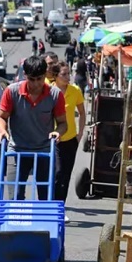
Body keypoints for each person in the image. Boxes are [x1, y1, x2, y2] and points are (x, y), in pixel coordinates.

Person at [0, 56, 68, 201]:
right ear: (25, 76)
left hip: (44, 151)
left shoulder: (55, 95)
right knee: (15, 196)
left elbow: (63, 123)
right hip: (17, 149)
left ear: (45, 75)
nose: (36, 83)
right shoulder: (12, 92)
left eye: (40, 79)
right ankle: (15, 222)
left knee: (45, 196)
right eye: (32, 79)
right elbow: (1, 117)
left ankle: (42, 222)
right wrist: (3, 131)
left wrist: (57, 132)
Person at [53, 62, 86, 210]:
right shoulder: (50, 91)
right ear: (56, 76)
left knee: (66, 175)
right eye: (64, 74)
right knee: (56, 174)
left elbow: (83, 113)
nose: (68, 77)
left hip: (70, 138)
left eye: (68, 73)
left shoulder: (75, 90)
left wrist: (80, 134)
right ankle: (51, 205)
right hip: (54, 139)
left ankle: (60, 207)